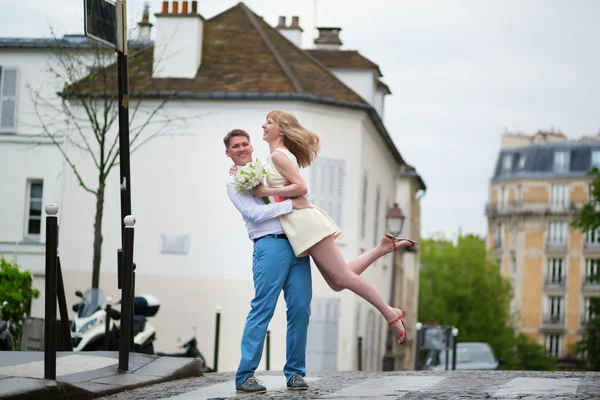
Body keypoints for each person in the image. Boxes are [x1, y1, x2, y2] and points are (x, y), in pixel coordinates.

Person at [251, 110, 418, 346]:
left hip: (305, 223)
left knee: (341, 278)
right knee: (337, 281)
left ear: (281, 129)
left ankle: (390, 313)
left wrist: (265, 191)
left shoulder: (279, 156)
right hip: (299, 223)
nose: (263, 125)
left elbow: (301, 187)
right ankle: (382, 249)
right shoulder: (277, 156)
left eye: (269, 122)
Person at [224, 129, 313, 394]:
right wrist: (289, 205)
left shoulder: (267, 167)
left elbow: (293, 187)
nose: (242, 149)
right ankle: (244, 376)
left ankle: (295, 373)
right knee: (263, 308)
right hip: (269, 244)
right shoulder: (233, 182)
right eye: (235, 146)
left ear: (252, 146)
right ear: (228, 153)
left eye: (245, 144)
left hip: (297, 242)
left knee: (300, 309)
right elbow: (253, 213)